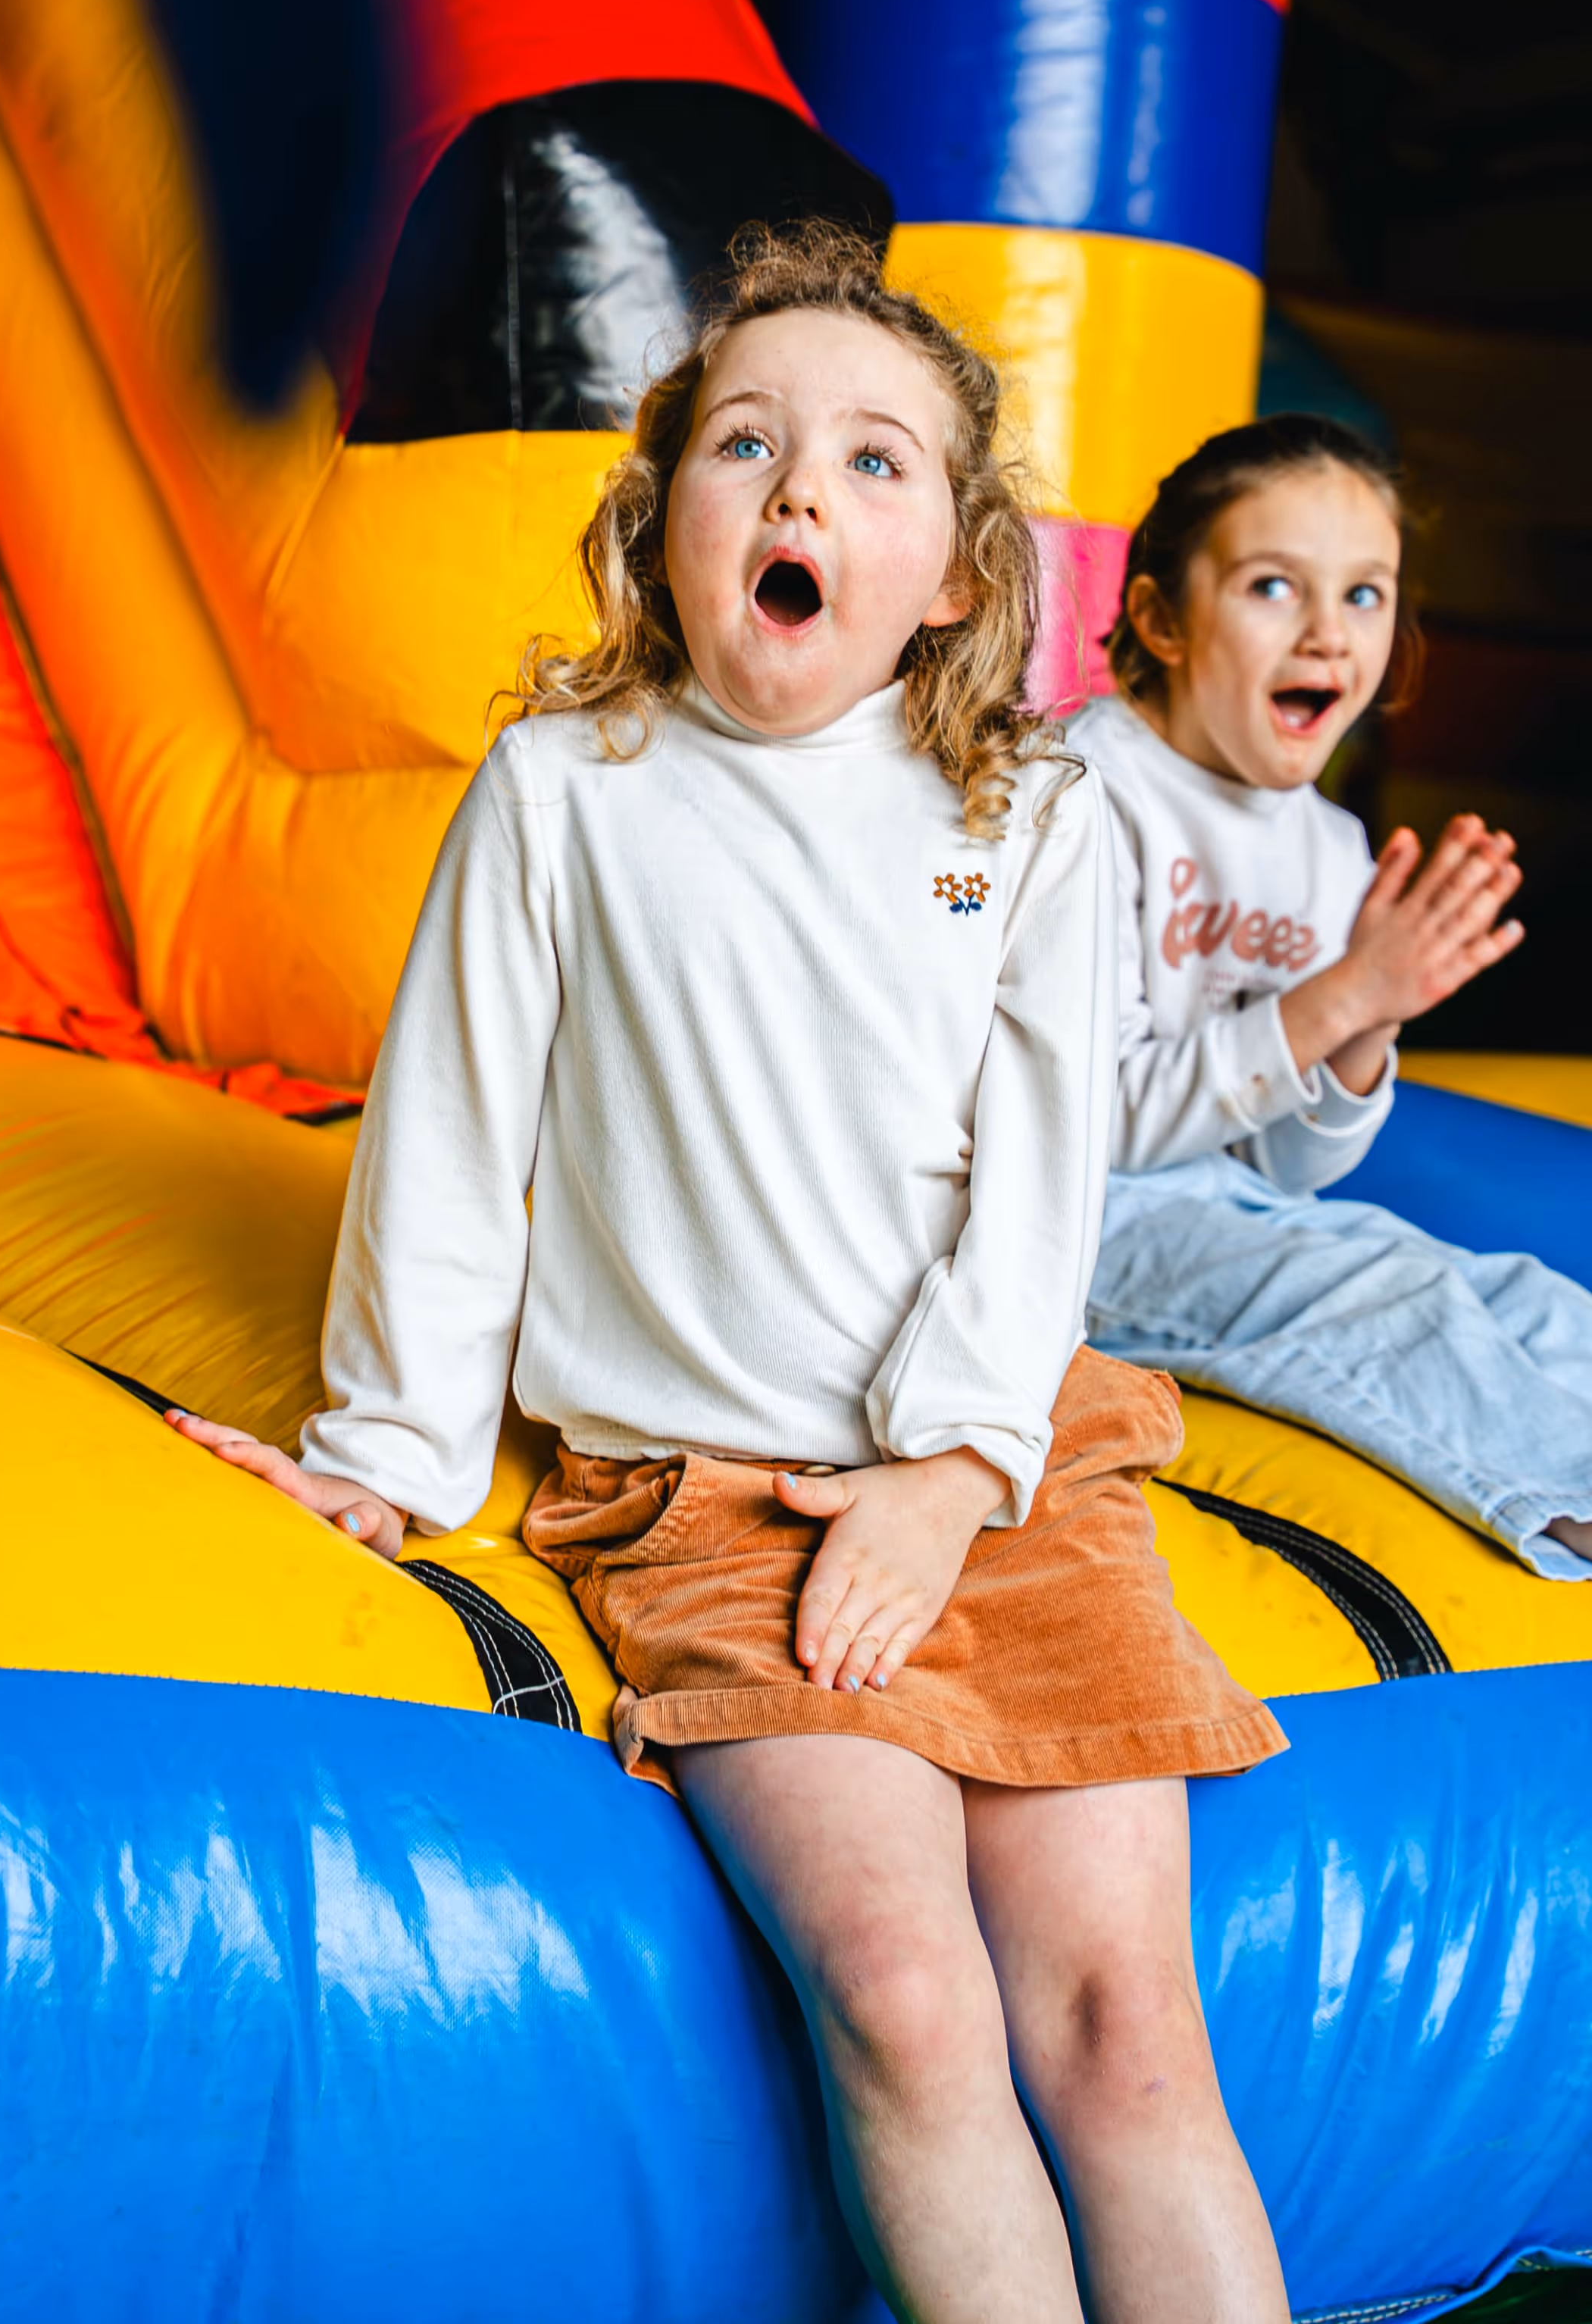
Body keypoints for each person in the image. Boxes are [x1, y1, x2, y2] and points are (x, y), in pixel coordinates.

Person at [167, 224, 1290, 2324]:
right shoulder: (568, 792)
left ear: (953, 572)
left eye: (875, 464)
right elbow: (451, 1133)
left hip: (995, 1486)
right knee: (902, 1997)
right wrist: (389, 1452)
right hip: (709, 1512)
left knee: (1131, 2037)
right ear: (660, 519)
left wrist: (956, 1471)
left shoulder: (1028, 822)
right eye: (746, 445)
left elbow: (1043, 1194)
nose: (800, 492)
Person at [1063, 414, 1592, 1578]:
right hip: (1066, 1225)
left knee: (1532, 1297)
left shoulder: (1334, 850)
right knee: (1384, 1291)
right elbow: (1097, 1122)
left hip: (1223, 1213)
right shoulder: (1082, 793)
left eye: (1365, 595)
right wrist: (1339, 995)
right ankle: (1568, 1494)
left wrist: (1374, 1020)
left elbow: (1283, 1173)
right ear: (1160, 618)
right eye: (1271, 587)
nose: (1328, 633)